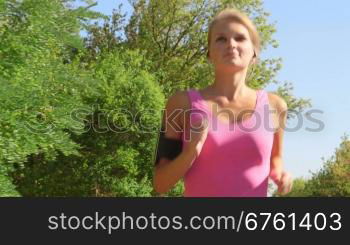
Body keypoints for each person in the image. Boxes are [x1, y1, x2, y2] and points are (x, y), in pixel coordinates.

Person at [153, 8, 293, 197]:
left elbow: (275, 161)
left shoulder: (275, 106)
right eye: (221, 39)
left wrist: (282, 177)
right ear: (209, 52)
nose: (231, 44)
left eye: (240, 38)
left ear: (254, 52)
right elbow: (160, 183)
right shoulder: (180, 104)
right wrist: (190, 152)